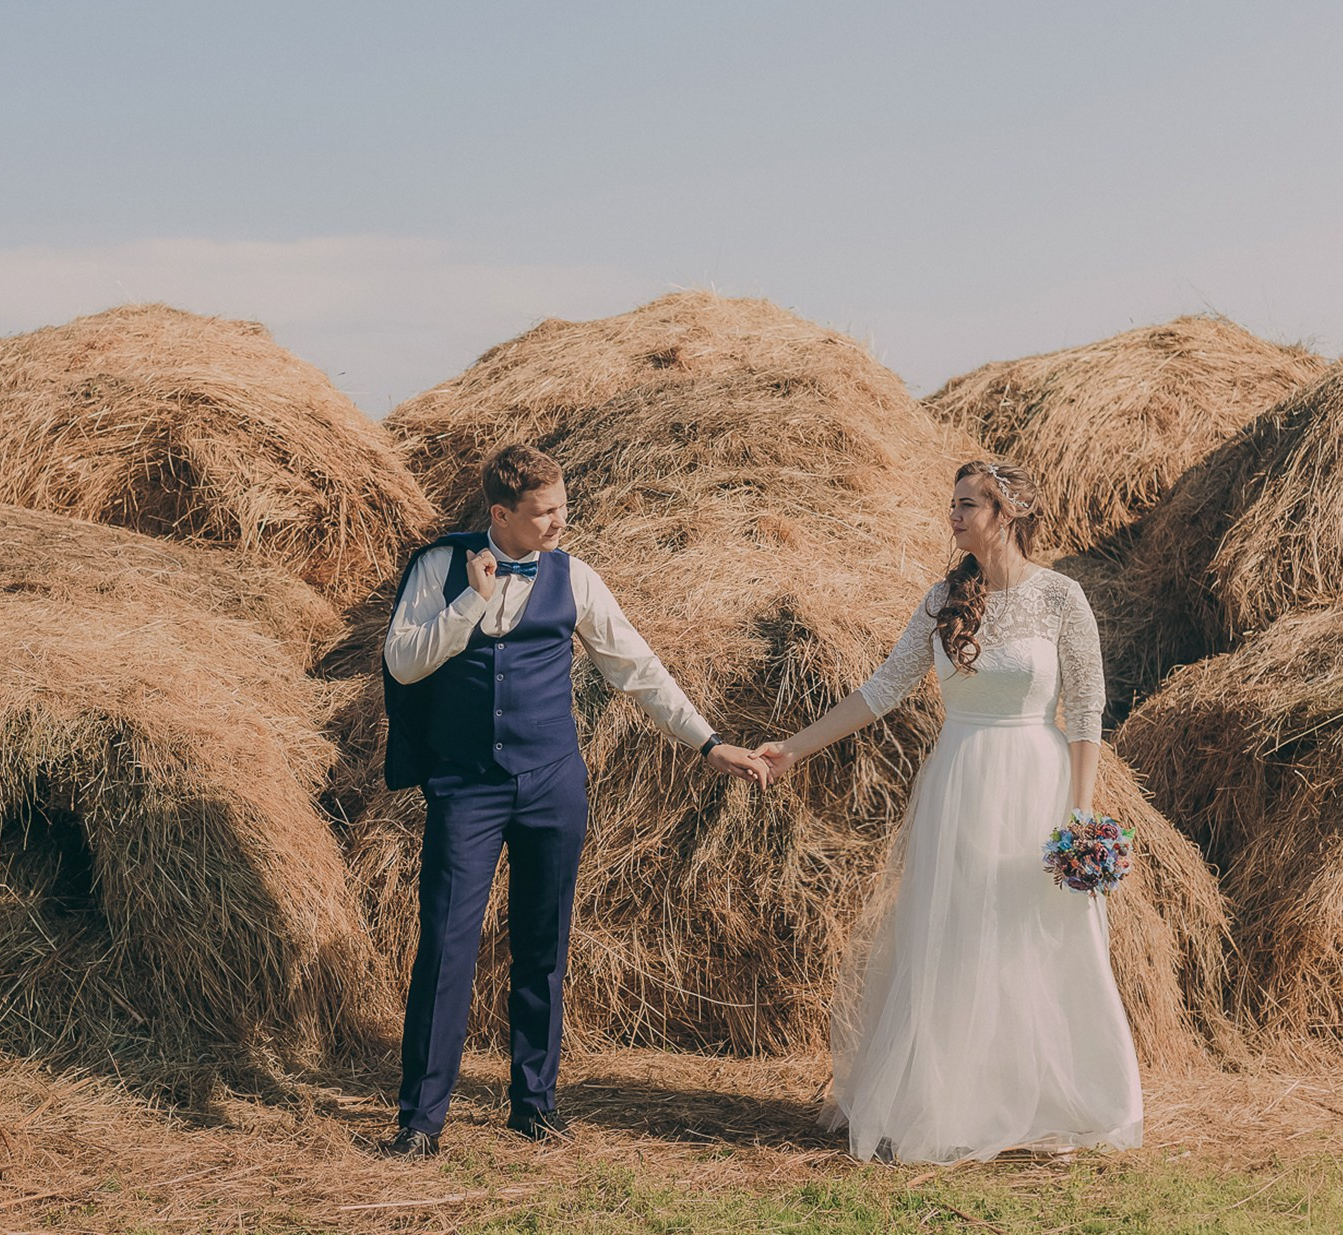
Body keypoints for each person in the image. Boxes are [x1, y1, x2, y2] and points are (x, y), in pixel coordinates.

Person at [378, 443, 770, 1158]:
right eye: (545, 512)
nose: (561, 522)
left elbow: (636, 668)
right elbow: (403, 662)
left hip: (553, 782)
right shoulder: (439, 567)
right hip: (467, 786)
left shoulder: (576, 577)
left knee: (542, 944)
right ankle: (420, 1121)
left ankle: (534, 1103)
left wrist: (708, 743)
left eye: (562, 506)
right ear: (501, 513)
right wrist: (473, 597)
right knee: (445, 946)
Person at [756, 460, 1141, 1164]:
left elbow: (1086, 709)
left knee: (1040, 937)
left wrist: (1080, 818)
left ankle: (1055, 1100)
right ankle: (953, 1102)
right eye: (953, 504)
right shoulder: (944, 599)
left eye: (968, 504)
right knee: (955, 934)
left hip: (1038, 784)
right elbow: (882, 690)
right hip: (961, 781)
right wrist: (793, 748)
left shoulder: (1061, 598)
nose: (954, 516)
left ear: (1008, 512)